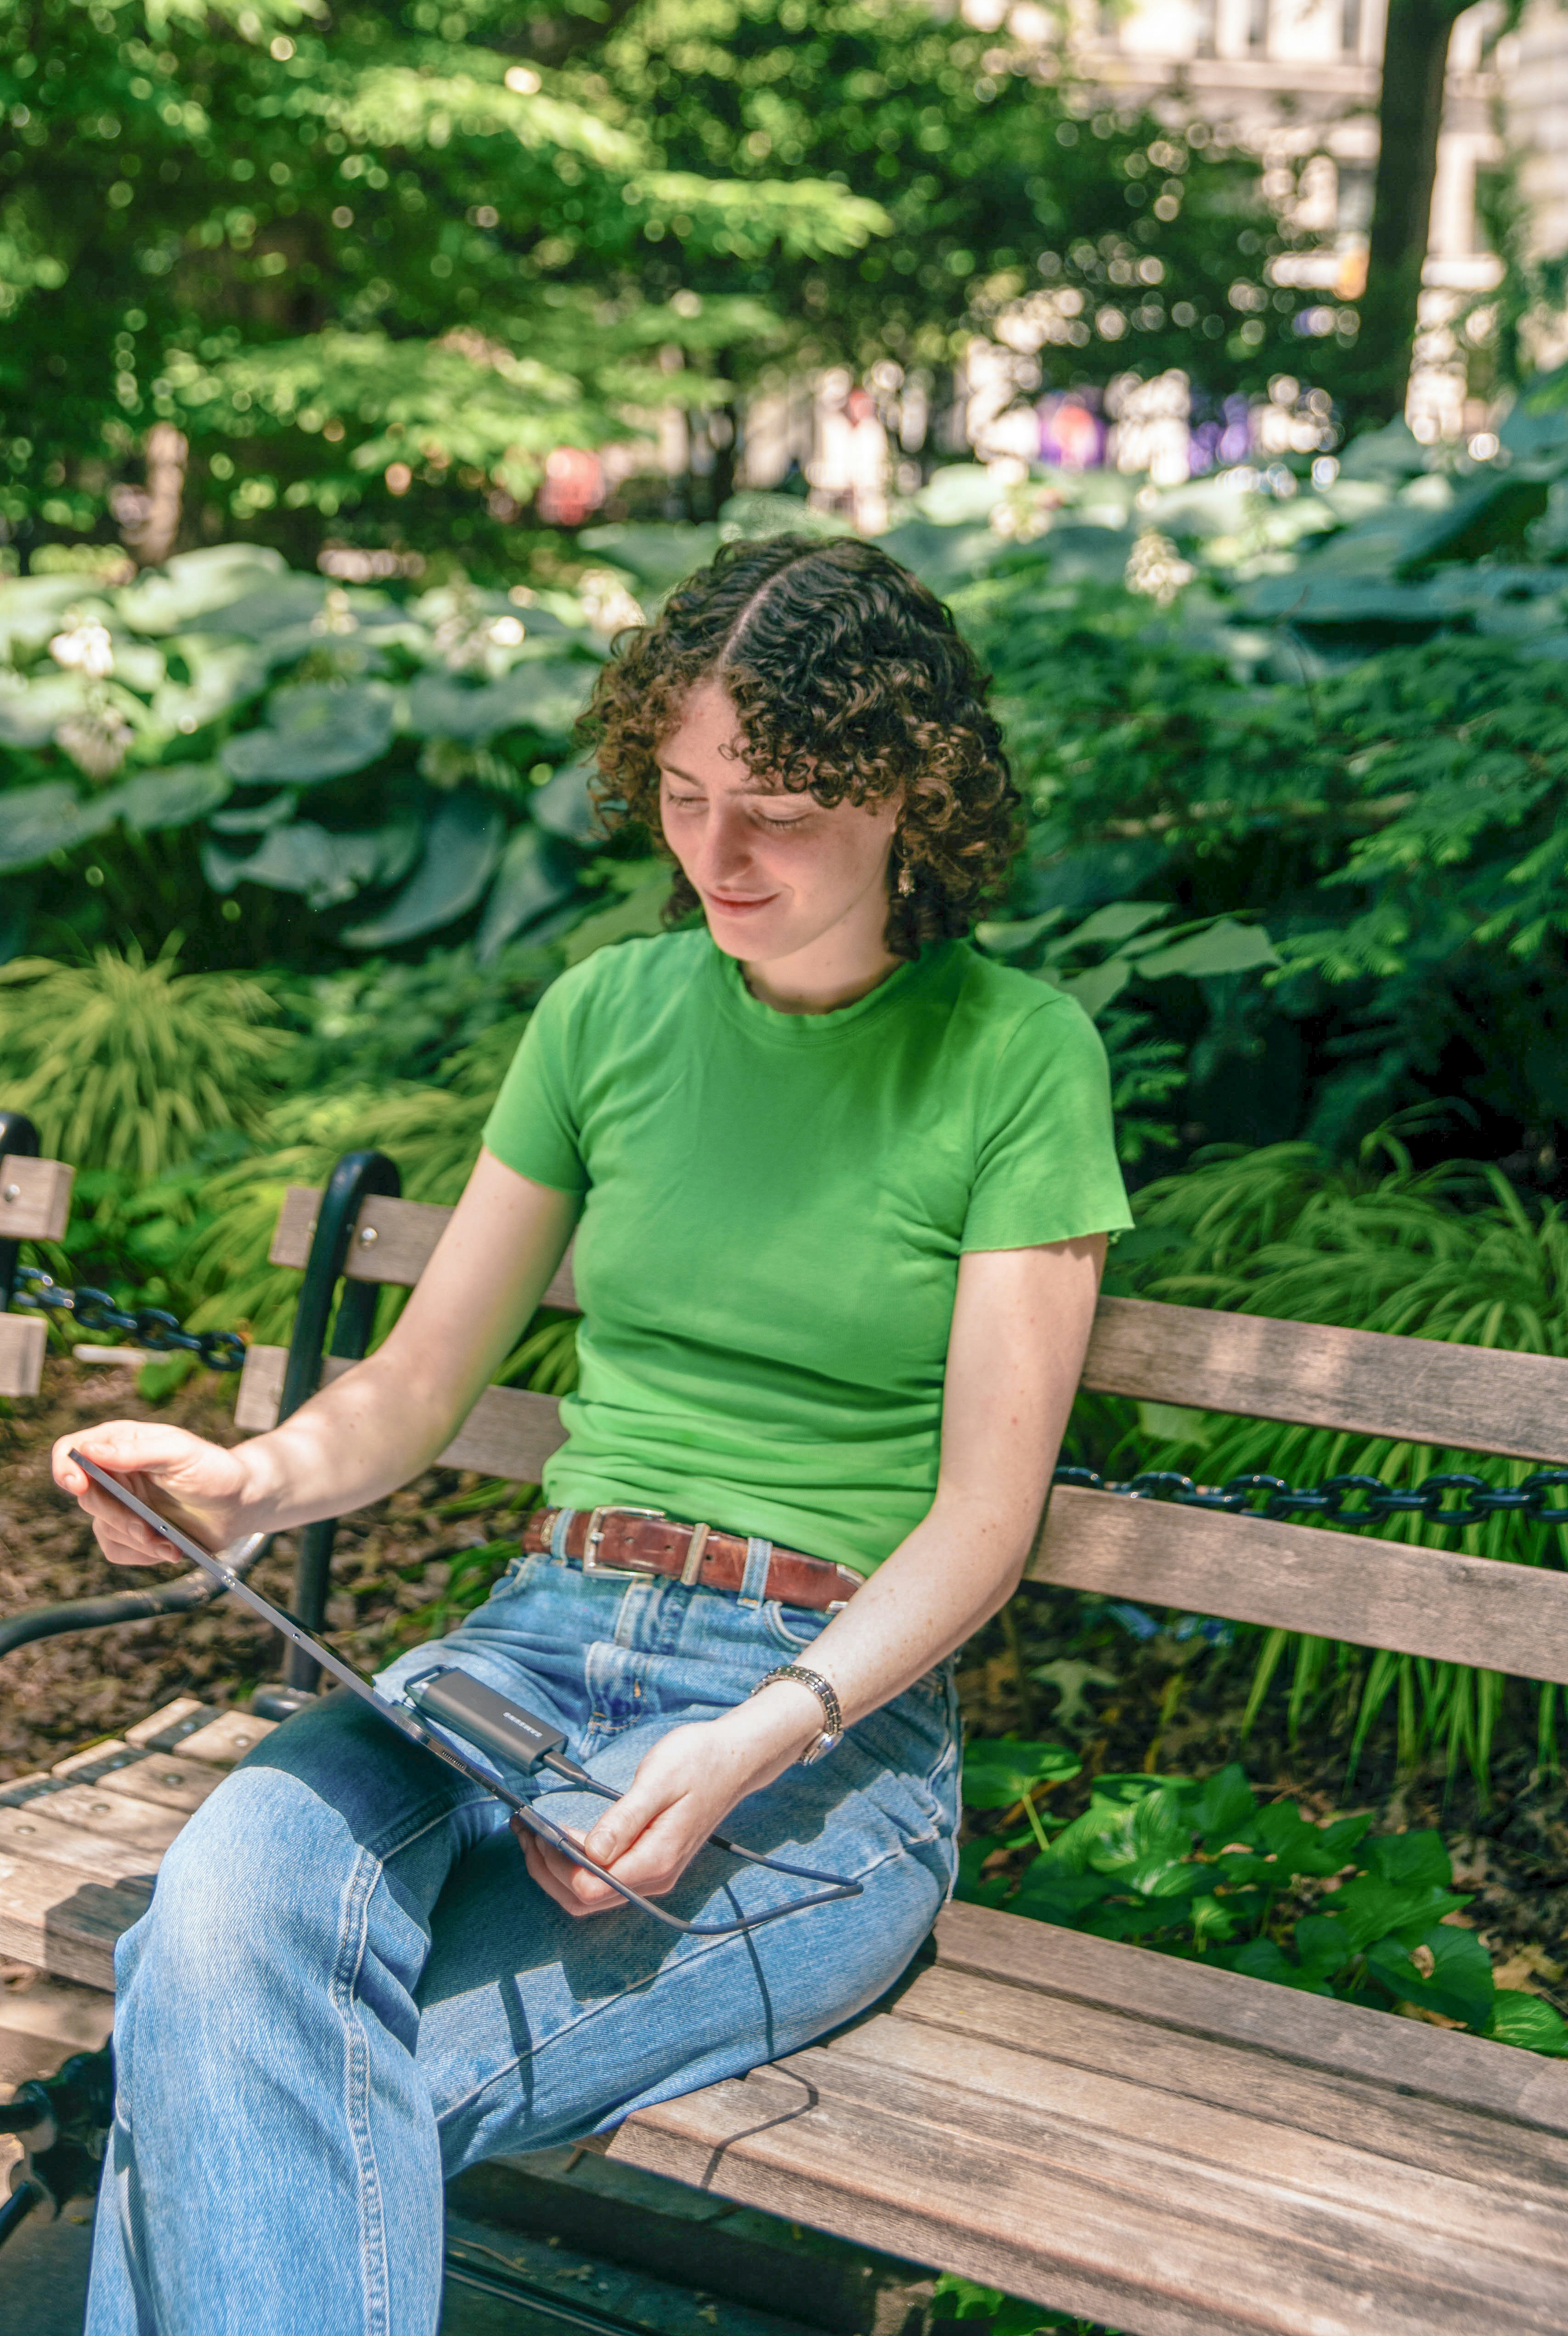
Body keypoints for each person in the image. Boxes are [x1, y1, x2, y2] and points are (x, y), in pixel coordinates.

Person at [54, 532, 1132, 2336]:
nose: (712, 856)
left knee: (229, 2072)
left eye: (773, 808)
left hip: (816, 1733)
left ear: (907, 792)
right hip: (522, 1665)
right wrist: (242, 1486)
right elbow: (414, 1386)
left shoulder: (1016, 1058)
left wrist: (749, 1742)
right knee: (232, 1895)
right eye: (682, 795)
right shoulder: (606, 1016)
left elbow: (978, 1529)